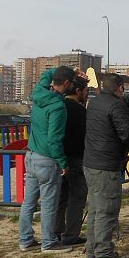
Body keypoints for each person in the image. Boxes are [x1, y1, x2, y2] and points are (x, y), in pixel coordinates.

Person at [83, 73, 129, 258]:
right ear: (120, 88)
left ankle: (92, 251)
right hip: (106, 165)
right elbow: (127, 133)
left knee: (95, 209)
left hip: (90, 163)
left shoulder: (95, 102)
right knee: (107, 212)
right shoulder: (116, 106)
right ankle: (105, 255)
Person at [18, 66, 75, 253]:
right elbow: (54, 139)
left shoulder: (39, 93)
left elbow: (45, 75)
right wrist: (63, 162)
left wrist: (63, 70)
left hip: (31, 155)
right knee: (49, 203)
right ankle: (49, 242)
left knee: (29, 202)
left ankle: (25, 239)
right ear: (66, 83)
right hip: (47, 159)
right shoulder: (58, 107)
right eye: (71, 82)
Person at [55, 71, 89, 246]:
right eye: (86, 90)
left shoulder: (59, 106)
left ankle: (56, 232)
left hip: (61, 158)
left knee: (61, 198)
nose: (87, 94)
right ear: (78, 91)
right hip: (77, 158)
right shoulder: (80, 111)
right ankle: (71, 235)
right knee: (77, 199)